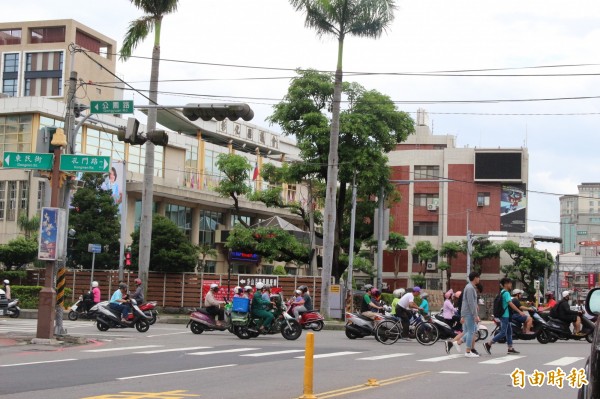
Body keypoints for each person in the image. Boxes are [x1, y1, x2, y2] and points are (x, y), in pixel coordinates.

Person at [484, 278, 527, 355]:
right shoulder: (506, 293)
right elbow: (510, 303)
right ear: (506, 284)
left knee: (509, 332)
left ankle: (510, 348)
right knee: (503, 333)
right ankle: (489, 343)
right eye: (510, 283)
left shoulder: (502, 292)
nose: (511, 285)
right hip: (505, 316)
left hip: (505, 315)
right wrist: (519, 311)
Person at [460, 271, 481, 358]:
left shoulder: (470, 287)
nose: (479, 279)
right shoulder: (470, 288)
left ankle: (458, 342)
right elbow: (470, 303)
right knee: (471, 331)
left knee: (472, 330)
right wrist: (475, 315)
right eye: (478, 277)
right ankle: (468, 351)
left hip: (467, 312)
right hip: (469, 312)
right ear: (475, 278)